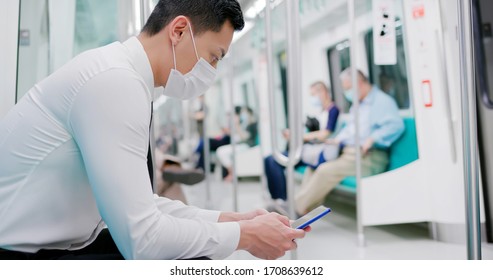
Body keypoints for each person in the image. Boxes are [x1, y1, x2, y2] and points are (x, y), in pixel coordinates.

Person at [0, 0, 306, 260]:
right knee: (192, 260)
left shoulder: (122, 76)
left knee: (195, 252)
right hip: (23, 257)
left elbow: (140, 203)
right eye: (213, 57)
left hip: (63, 244)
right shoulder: (114, 83)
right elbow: (143, 239)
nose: (211, 70)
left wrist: (231, 220)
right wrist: (245, 236)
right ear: (179, 31)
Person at [295, 68, 405, 215]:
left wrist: (374, 138)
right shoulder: (358, 105)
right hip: (348, 153)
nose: (347, 93)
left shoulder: (381, 101)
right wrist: (337, 140)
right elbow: (350, 130)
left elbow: (396, 125)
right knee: (312, 167)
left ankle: (295, 210)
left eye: (347, 88)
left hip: (369, 156)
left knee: (324, 170)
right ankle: (306, 209)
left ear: (358, 83)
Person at [264, 81, 340, 215]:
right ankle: (278, 200)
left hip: (318, 153)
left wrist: (299, 136)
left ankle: (282, 201)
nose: (312, 98)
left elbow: (324, 134)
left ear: (323, 92)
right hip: (310, 150)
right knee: (269, 159)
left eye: (313, 94)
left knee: (273, 160)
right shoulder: (321, 112)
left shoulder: (333, 110)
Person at [216, 106, 258, 181]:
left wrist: (237, 125)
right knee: (221, 151)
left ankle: (232, 173)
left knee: (221, 152)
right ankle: (231, 173)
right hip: (241, 144)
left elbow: (245, 137)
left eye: (244, 113)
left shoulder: (252, 125)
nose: (242, 115)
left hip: (247, 146)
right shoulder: (245, 124)